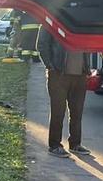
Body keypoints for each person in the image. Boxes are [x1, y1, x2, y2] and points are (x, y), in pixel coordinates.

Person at [37, 26, 92, 156]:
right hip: (59, 74)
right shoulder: (50, 20)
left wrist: (87, 68)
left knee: (77, 112)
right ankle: (55, 145)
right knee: (58, 112)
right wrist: (50, 66)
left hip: (80, 75)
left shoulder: (81, 23)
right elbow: (42, 45)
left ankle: (75, 144)